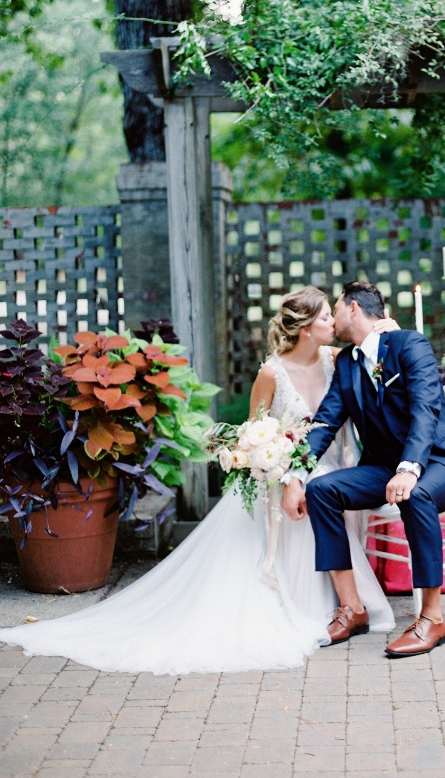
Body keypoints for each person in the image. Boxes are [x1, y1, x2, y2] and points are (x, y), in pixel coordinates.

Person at [0, 287, 395, 674]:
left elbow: (374, 350)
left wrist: (386, 328)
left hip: (330, 468)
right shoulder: (271, 373)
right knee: (310, 494)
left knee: (322, 488)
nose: (334, 322)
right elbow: (255, 431)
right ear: (306, 328)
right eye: (326, 316)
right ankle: (313, 604)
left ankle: (344, 603)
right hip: (283, 474)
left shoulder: (338, 359)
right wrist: (274, 460)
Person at [282, 281, 445, 658]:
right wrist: (294, 475)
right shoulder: (346, 362)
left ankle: (432, 617)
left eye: (336, 308)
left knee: (418, 492)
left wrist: (410, 469)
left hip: (440, 460)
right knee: (321, 490)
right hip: (384, 467)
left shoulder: (409, 344)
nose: (332, 318)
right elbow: (326, 423)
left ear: (354, 310)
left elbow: (426, 408)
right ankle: (352, 609)